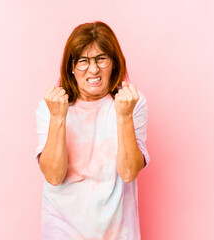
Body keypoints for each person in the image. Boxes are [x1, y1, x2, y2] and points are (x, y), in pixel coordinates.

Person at [35, 21, 150, 240]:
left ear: (114, 63)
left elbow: (128, 172)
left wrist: (124, 116)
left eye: (101, 59)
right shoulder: (50, 106)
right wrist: (58, 117)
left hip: (116, 231)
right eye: (83, 61)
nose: (93, 69)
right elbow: (53, 175)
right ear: (71, 66)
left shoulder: (132, 102)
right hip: (62, 229)